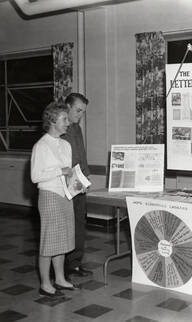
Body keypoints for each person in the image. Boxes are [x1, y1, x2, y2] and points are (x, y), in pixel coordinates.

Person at [31, 102, 79, 296]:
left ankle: (59, 278)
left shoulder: (65, 144)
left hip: (65, 196)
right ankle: (44, 283)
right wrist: (61, 171)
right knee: (49, 241)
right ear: (52, 121)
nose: (68, 123)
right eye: (64, 119)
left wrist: (77, 184)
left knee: (63, 240)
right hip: (49, 195)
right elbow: (35, 176)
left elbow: (67, 173)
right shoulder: (41, 146)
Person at [62, 93, 92, 277]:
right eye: (78, 110)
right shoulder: (59, 129)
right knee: (64, 225)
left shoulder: (77, 129)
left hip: (78, 183)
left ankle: (74, 263)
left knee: (79, 223)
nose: (80, 115)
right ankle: (59, 267)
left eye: (83, 112)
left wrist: (86, 177)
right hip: (64, 183)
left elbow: (81, 155)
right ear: (67, 106)